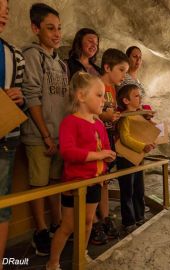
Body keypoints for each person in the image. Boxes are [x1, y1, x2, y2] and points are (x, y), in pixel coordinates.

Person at [46, 72, 116, 270]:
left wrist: (106, 163)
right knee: (68, 226)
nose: (104, 100)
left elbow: (104, 149)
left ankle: (81, 255)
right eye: (99, 95)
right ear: (81, 96)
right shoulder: (70, 122)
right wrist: (100, 155)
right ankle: (53, 263)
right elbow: (68, 152)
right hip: (75, 184)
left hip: (94, 182)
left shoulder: (100, 124)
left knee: (87, 222)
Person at [21, 3, 69, 256]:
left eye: (59, 28)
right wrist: (46, 135)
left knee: (55, 181)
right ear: (35, 28)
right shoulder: (32, 55)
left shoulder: (60, 64)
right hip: (40, 134)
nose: (56, 33)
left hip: (59, 134)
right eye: (50, 28)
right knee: (39, 183)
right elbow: (32, 97)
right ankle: (40, 230)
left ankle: (56, 224)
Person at [89, 48, 129, 244]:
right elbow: (91, 113)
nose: (124, 74)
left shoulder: (112, 88)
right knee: (96, 180)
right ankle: (94, 221)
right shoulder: (97, 86)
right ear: (107, 67)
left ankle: (104, 218)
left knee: (105, 180)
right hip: (95, 139)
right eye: (121, 70)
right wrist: (105, 116)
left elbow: (109, 112)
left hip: (107, 137)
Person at [0, 0, 26, 265]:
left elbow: (24, 97)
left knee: (2, 206)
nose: (3, 15)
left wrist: (19, 99)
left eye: (6, 11)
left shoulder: (14, 54)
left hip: (5, 139)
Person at [116, 85, 154, 232]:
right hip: (125, 158)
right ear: (126, 100)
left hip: (138, 157)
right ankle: (128, 221)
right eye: (136, 96)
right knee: (127, 190)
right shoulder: (125, 117)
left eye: (140, 95)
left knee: (139, 188)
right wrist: (142, 146)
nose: (140, 98)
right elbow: (125, 138)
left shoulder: (140, 114)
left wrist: (149, 142)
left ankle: (139, 216)